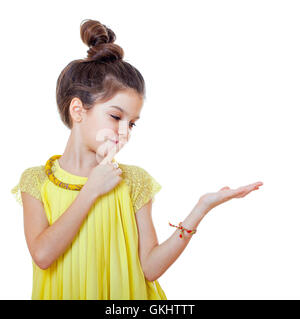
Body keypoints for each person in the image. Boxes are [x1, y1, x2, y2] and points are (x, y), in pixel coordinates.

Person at [11, 19, 263, 300]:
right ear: (78, 110)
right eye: (116, 117)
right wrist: (91, 190)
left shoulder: (133, 181)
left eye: (132, 124)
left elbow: (150, 268)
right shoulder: (37, 181)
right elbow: (43, 255)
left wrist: (201, 209)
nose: (124, 132)